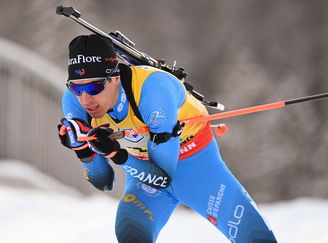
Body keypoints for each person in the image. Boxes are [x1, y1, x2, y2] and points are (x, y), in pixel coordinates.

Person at [58, 34, 277, 243]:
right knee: (130, 234)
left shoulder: (153, 91)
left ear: (115, 78)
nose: (86, 99)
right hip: (143, 171)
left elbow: (163, 179)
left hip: (194, 162)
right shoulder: (74, 103)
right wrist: (82, 150)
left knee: (257, 239)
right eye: (76, 87)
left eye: (95, 87)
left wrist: (116, 153)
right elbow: (103, 182)